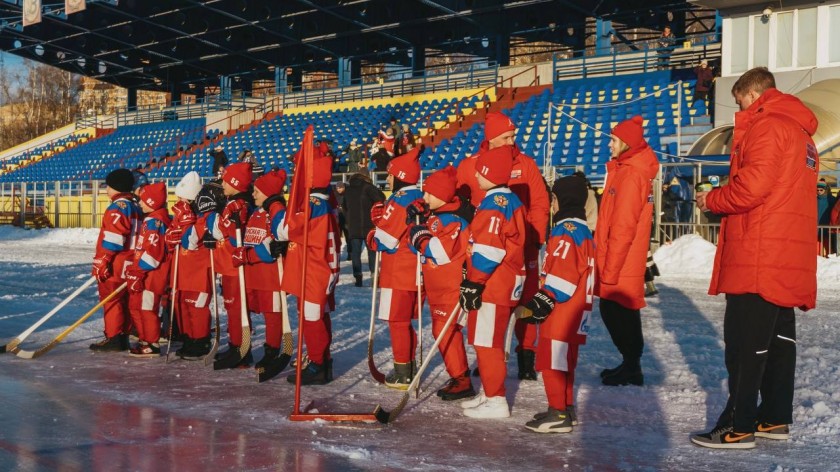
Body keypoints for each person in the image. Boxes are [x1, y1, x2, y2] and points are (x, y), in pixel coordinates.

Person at [693, 67, 819, 449]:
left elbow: (751, 189)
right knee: (779, 344)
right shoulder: (801, 134)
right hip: (786, 252)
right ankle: (774, 418)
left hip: (759, 253)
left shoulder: (767, 126)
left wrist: (711, 199)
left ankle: (739, 425)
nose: (740, 109)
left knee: (745, 344)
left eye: (739, 102)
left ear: (751, 94)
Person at [456, 111, 550, 381]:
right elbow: (460, 203)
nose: (512, 140)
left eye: (513, 135)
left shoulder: (526, 163)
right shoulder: (471, 165)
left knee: (526, 300)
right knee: (486, 304)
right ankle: (488, 358)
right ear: (492, 139)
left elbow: (540, 204)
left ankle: (526, 355)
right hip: (488, 248)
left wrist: (534, 239)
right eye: (506, 137)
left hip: (523, 245)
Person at [520, 175, 595, 433]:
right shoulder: (584, 231)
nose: (551, 204)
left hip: (562, 312)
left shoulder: (565, 231)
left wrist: (544, 298)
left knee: (551, 362)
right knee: (565, 363)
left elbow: (563, 273)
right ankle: (565, 407)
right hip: (578, 313)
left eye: (553, 198)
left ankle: (557, 412)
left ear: (560, 200)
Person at [458, 145, 526, 419]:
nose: (476, 175)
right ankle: (489, 391)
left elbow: (489, 249)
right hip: (502, 281)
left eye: (480, 171)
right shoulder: (509, 201)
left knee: (487, 342)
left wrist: (474, 281)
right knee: (486, 339)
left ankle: (496, 398)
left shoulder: (494, 204)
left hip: (495, 283)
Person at [595, 115, 659, 387]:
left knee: (617, 311)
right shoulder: (626, 170)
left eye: (613, 140)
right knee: (620, 311)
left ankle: (632, 365)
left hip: (621, 259)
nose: (609, 145)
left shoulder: (631, 175)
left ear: (625, 143)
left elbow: (623, 226)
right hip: (621, 257)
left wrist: (610, 270)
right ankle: (631, 364)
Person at [405, 166, 474, 401]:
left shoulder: (452, 221)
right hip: (438, 284)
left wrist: (418, 234)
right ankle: (460, 375)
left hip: (451, 285)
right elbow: (415, 245)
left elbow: (440, 251)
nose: (424, 198)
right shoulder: (435, 218)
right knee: (444, 330)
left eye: (429, 194)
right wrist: (414, 224)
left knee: (444, 330)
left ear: (443, 196)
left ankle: (462, 378)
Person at [277, 149, 339, 385]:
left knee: (311, 319)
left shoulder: (313, 205)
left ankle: (318, 364)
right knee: (318, 317)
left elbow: (286, 230)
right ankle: (323, 359)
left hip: (314, 269)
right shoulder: (326, 203)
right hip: (323, 267)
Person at [368, 147, 424, 389]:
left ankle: (403, 370)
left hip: (398, 269)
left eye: (391, 174)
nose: (388, 178)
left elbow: (384, 240)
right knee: (404, 321)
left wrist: (373, 229)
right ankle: (407, 366)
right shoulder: (419, 195)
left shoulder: (400, 198)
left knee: (397, 321)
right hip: (415, 269)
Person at [231, 170, 287, 369]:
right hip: (254, 273)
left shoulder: (276, 210)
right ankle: (243, 347)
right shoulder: (257, 210)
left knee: (272, 315)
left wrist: (247, 255)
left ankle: (272, 351)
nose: (253, 194)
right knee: (250, 309)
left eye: (257, 191)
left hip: (270, 276)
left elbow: (273, 246)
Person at [203, 162, 255, 368]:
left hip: (235, 265)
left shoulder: (236, 205)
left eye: (226, 180)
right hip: (228, 264)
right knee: (232, 307)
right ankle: (236, 344)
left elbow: (223, 232)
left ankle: (242, 348)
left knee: (237, 309)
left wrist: (210, 216)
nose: (223, 183)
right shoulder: (233, 203)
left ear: (235, 182)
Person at [90, 169, 142, 351]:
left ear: (115, 188)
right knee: (125, 300)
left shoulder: (117, 207)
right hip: (131, 261)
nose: (106, 190)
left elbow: (114, 238)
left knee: (111, 299)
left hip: (117, 262)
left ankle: (114, 337)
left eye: (108, 186)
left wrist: (102, 260)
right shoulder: (136, 206)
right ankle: (123, 336)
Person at [166, 173, 215, 360]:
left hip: (199, 268)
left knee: (197, 306)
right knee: (182, 305)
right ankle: (188, 338)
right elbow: (171, 237)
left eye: (182, 198)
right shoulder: (180, 214)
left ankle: (200, 340)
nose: (179, 202)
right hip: (183, 268)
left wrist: (185, 223)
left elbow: (192, 240)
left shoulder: (202, 214)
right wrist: (172, 235)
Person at [125, 182, 171, 358]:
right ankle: (145, 340)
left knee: (147, 309)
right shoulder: (150, 220)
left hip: (152, 277)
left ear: (152, 202)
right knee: (136, 307)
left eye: (144, 201)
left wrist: (138, 271)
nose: (140, 204)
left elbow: (153, 254)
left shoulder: (156, 222)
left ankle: (151, 343)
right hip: (143, 273)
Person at [344, 171, 386, 286]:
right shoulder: (368, 187)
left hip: (353, 226)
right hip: (369, 225)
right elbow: (381, 199)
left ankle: (358, 278)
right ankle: (374, 277)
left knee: (355, 254)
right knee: (372, 252)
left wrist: (348, 221)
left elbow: (345, 207)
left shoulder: (348, 190)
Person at [817, 180, 836, 256]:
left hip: (828, 230)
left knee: (830, 253)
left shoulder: (831, 200)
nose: (819, 191)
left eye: (821, 190)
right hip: (817, 229)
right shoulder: (814, 199)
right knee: (817, 254)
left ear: (825, 189)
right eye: (817, 190)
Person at [334, 182, 350, 261]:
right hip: (338, 219)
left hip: (346, 220)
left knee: (348, 237)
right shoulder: (335, 195)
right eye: (337, 188)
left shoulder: (348, 194)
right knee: (337, 238)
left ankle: (350, 254)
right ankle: (337, 254)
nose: (339, 189)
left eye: (340, 188)